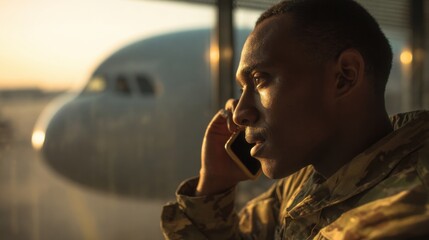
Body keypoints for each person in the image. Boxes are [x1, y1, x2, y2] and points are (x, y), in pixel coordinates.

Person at [161, 0, 429, 239]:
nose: (241, 112)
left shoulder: (408, 212)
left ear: (344, 76)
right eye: (243, 89)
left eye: (259, 80)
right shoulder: (304, 184)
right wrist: (215, 184)